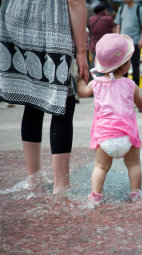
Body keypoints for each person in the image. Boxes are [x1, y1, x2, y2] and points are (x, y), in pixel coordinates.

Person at [0, 0, 89, 194]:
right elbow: (75, 2)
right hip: (48, 22)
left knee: (33, 97)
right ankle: (61, 185)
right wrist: (82, 52)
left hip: (16, 17)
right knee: (63, 101)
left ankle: (35, 177)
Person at [77, 33, 142, 203]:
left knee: (100, 167)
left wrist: (81, 78)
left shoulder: (95, 84)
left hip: (105, 138)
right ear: (125, 65)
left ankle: (95, 196)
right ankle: (136, 193)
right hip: (127, 138)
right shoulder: (131, 85)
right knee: (134, 165)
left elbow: (82, 92)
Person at [115, 0, 142, 87]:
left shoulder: (139, 9)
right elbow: (118, 24)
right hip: (123, 42)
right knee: (122, 65)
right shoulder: (121, 9)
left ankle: (135, 86)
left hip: (135, 41)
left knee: (135, 65)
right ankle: (123, 86)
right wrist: (118, 37)